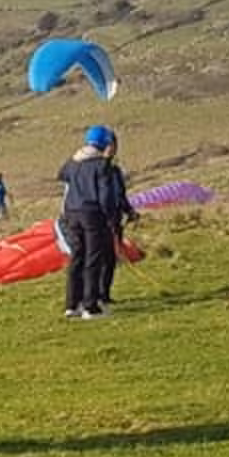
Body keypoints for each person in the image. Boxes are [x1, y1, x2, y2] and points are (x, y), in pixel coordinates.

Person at [58, 125, 116, 318]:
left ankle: (71, 304)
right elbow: (105, 194)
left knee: (77, 257)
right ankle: (90, 306)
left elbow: (62, 174)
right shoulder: (101, 165)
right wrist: (110, 217)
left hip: (71, 213)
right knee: (93, 259)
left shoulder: (73, 162)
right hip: (92, 214)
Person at [97, 139, 138, 307]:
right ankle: (94, 295)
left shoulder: (116, 172)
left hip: (115, 220)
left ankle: (104, 294)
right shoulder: (96, 170)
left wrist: (130, 211)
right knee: (98, 259)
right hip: (98, 220)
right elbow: (101, 176)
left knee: (111, 259)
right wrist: (106, 159)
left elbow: (120, 196)